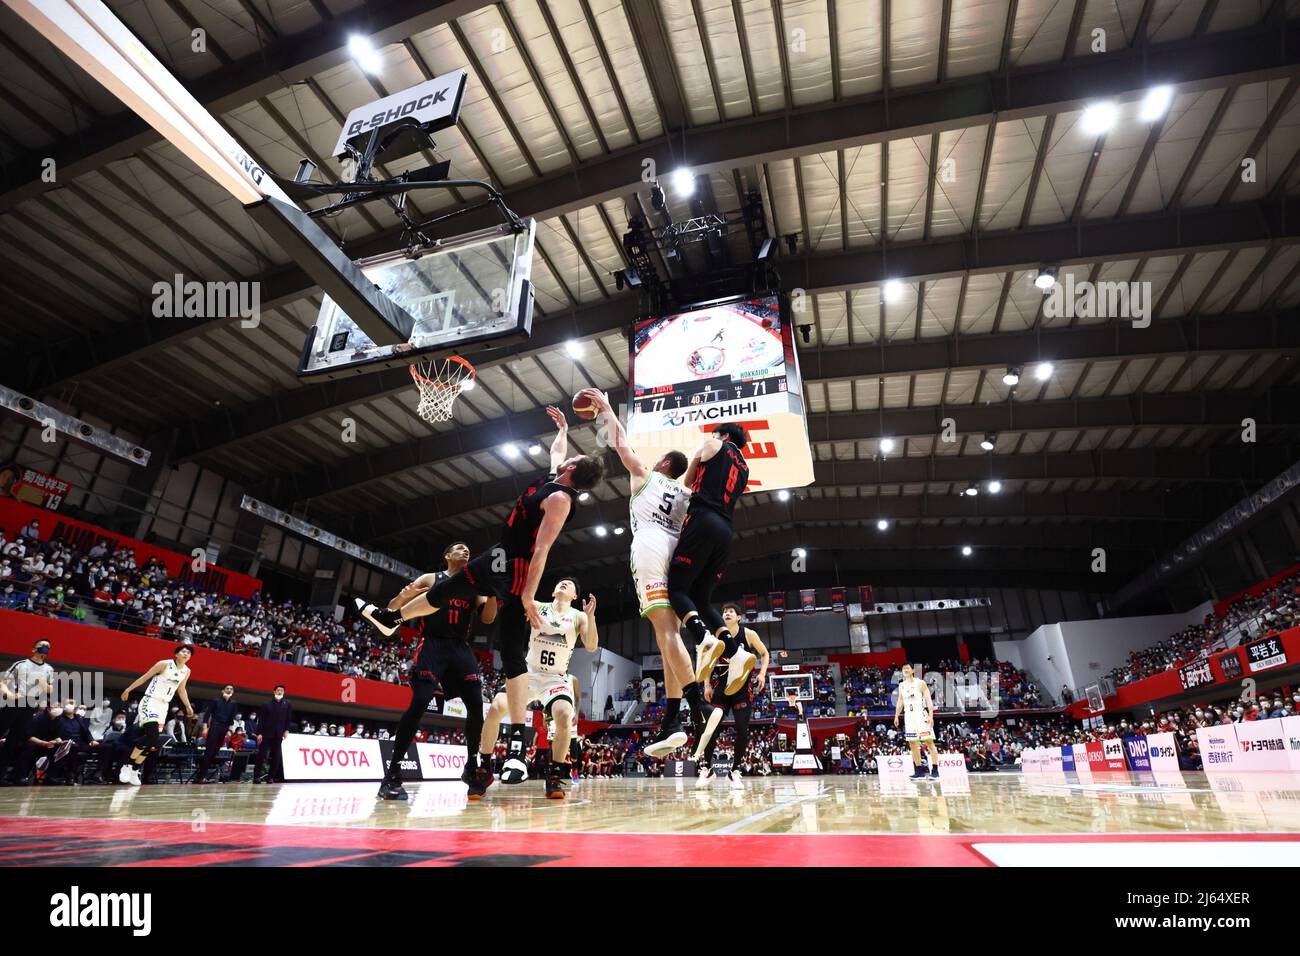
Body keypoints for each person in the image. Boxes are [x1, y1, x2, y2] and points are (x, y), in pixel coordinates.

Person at [356, 406, 603, 784]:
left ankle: (518, 745)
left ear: (574, 470)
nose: (567, 456)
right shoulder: (554, 479)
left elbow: (541, 551)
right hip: (499, 555)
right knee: (446, 588)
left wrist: (527, 595)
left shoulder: (561, 501)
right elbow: (557, 453)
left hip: (519, 567)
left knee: (509, 648)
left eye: (573, 457)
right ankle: (394, 618)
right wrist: (564, 429)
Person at [578, 388, 699, 760]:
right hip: (677, 553)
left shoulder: (646, 474)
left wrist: (608, 410)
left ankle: (696, 709)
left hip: (648, 546)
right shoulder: (684, 496)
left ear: (663, 463)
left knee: (664, 633)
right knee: (670, 636)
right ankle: (673, 717)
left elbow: (620, 443)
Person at [374, 541, 497, 801]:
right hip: (432, 644)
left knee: (476, 705)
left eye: (468, 550)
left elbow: (487, 618)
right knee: (419, 702)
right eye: (460, 548)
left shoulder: (474, 583)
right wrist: (404, 596)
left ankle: (471, 766)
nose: (466, 551)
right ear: (447, 555)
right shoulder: (431, 578)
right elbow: (394, 608)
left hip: (460, 649)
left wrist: (493, 592)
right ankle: (392, 774)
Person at [478, 578, 596, 799]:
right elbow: (516, 604)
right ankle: (483, 767)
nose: (563, 584)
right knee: (496, 708)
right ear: (552, 590)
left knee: (563, 715)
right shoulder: (538, 606)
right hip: (529, 673)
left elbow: (591, 645)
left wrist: (590, 616)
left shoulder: (579, 616)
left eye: (569, 585)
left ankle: (554, 774)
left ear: (574, 596)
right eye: (560, 582)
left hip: (555, 678)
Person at [667, 423, 749, 688]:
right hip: (725, 530)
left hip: (703, 518)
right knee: (702, 599)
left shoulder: (714, 444)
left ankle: (703, 639)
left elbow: (688, 481)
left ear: (724, 435)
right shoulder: (745, 468)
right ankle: (736, 651)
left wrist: (698, 453)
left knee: (677, 589)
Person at [692, 602, 768, 788]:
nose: (726, 613)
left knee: (742, 730)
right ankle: (707, 770)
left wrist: (762, 673)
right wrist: (707, 684)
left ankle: (734, 772)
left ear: (739, 617)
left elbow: (764, 654)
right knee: (711, 729)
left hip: (742, 690)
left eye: (731, 611)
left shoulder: (749, 634)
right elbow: (709, 662)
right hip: (720, 690)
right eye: (724, 612)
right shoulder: (717, 636)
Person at [118, 644, 194, 785]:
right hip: (151, 701)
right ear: (176, 654)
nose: (186, 654)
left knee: (153, 740)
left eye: (188, 653)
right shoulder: (164, 664)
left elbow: (181, 689)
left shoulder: (186, 671)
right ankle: (127, 765)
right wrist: (128, 689)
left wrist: (188, 706)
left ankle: (135, 769)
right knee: (152, 734)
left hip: (163, 706)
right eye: (183, 651)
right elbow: (145, 677)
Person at [0, 639, 55, 784]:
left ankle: (1, 775)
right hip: (14, 702)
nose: (45, 648)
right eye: (42, 645)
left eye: (48, 647)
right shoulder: (21, 664)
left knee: (13, 740)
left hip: (30, 705)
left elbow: (51, 689)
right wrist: (8, 694)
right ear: (33, 649)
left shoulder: (49, 669)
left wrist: (44, 684)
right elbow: (3, 682)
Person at [894, 662, 940, 779]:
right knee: (912, 744)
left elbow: (929, 700)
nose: (905, 670)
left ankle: (935, 770)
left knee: (929, 742)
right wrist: (896, 715)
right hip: (909, 716)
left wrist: (931, 715)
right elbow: (900, 702)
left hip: (921, 715)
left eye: (907, 668)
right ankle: (919, 770)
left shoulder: (920, 683)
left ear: (912, 670)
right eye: (903, 668)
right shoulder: (902, 685)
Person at [193, 684, 239, 783]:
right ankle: (200, 777)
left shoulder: (234, 703)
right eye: (227, 688)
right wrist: (205, 727)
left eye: (231, 689)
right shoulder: (216, 700)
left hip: (224, 729)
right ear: (223, 690)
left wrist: (230, 730)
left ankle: (202, 776)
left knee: (214, 753)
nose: (229, 690)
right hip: (214, 727)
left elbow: (232, 718)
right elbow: (207, 714)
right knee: (209, 752)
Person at [254, 685, 292, 783]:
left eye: (282, 690)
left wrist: (286, 730)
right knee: (261, 755)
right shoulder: (266, 704)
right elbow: (261, 720)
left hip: (278, 734)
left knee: (276, 756)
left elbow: (288, 719)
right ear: (274, 692)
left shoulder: (287, 704)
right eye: (278, 690)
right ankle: (256, 777)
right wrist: (259, 733)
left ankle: (270, 777)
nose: (280, 692)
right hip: (266, 733)